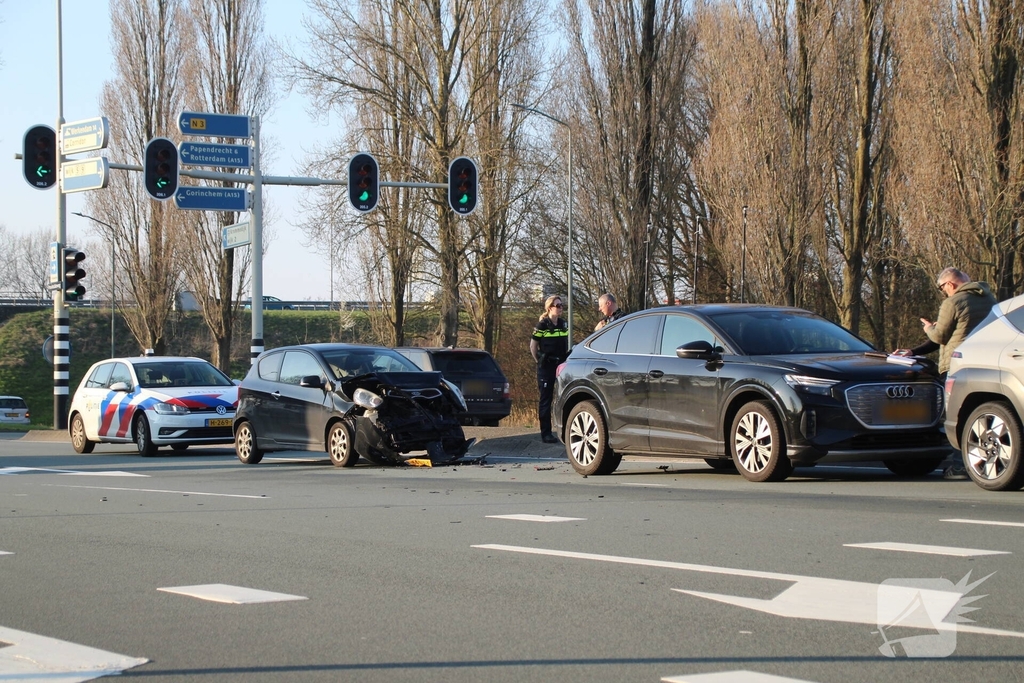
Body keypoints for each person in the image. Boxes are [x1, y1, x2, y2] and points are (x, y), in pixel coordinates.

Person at [894, 267, 996, 479]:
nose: (944, 292)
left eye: (942, 288)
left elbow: (940, 336)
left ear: (950, 284)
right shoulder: (990, 300)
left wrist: (929, 328)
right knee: (978, 417)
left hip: (956, 365)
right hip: (985, 365)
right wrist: (914, 351)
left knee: (954, 416)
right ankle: (982, 463)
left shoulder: (953, 302)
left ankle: (959, 466)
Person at [530, 295, 569, 443]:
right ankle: (546, 433)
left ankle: (563, 430)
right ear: (549, 308)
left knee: (563, 397)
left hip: (560, 365)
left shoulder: (563, 324)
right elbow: (533, 346)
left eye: (561, 305)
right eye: (557, 305)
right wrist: (539, 361)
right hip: (546, 366)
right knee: (546, 400)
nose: (560, 308)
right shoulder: (542, 325)